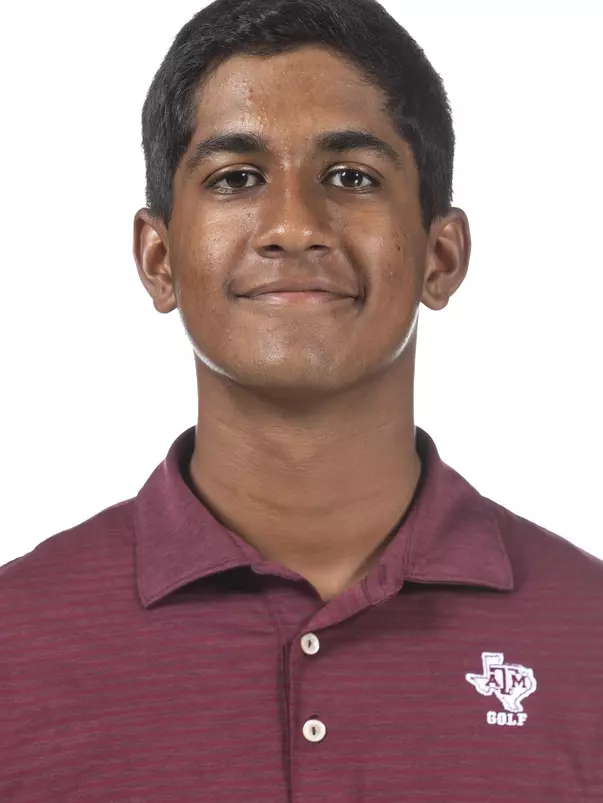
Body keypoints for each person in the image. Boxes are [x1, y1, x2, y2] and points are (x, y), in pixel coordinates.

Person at [1, 0, 602, 799]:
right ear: (157, 258)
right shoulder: (16, 641)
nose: (292, 225)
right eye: (236, 178)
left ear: (441, 256)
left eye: (351, 177)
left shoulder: (588, 636)